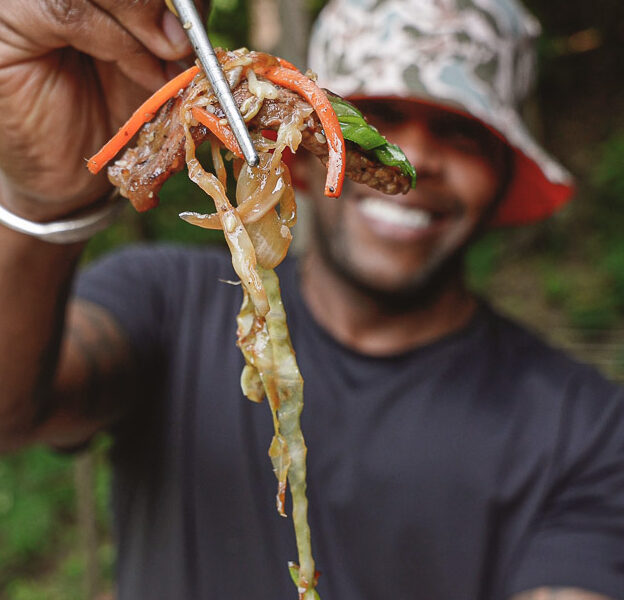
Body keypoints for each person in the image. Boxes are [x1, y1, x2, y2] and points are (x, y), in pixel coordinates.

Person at [0, 0, 622, 599]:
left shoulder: (585, 428)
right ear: (291, 148)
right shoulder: (164, 302)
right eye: (377, 117)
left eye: (463, 133)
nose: (422, 156)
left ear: (505, 172)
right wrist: (42, 201)